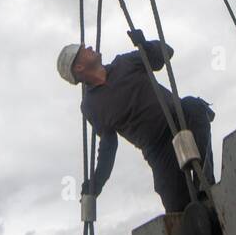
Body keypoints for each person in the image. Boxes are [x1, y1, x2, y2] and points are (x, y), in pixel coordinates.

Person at [56, 30, 214, 214]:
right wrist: (96, 183)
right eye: (83, 50)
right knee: (178, 210)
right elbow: (108, 145)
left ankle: (204, 187)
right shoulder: (90, 106)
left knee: (193, 106)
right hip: (157, 148)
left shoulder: (124, 62)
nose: (90, 47)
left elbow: (166, 52)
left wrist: (145, 45)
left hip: (179, 117)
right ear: (79, 68)